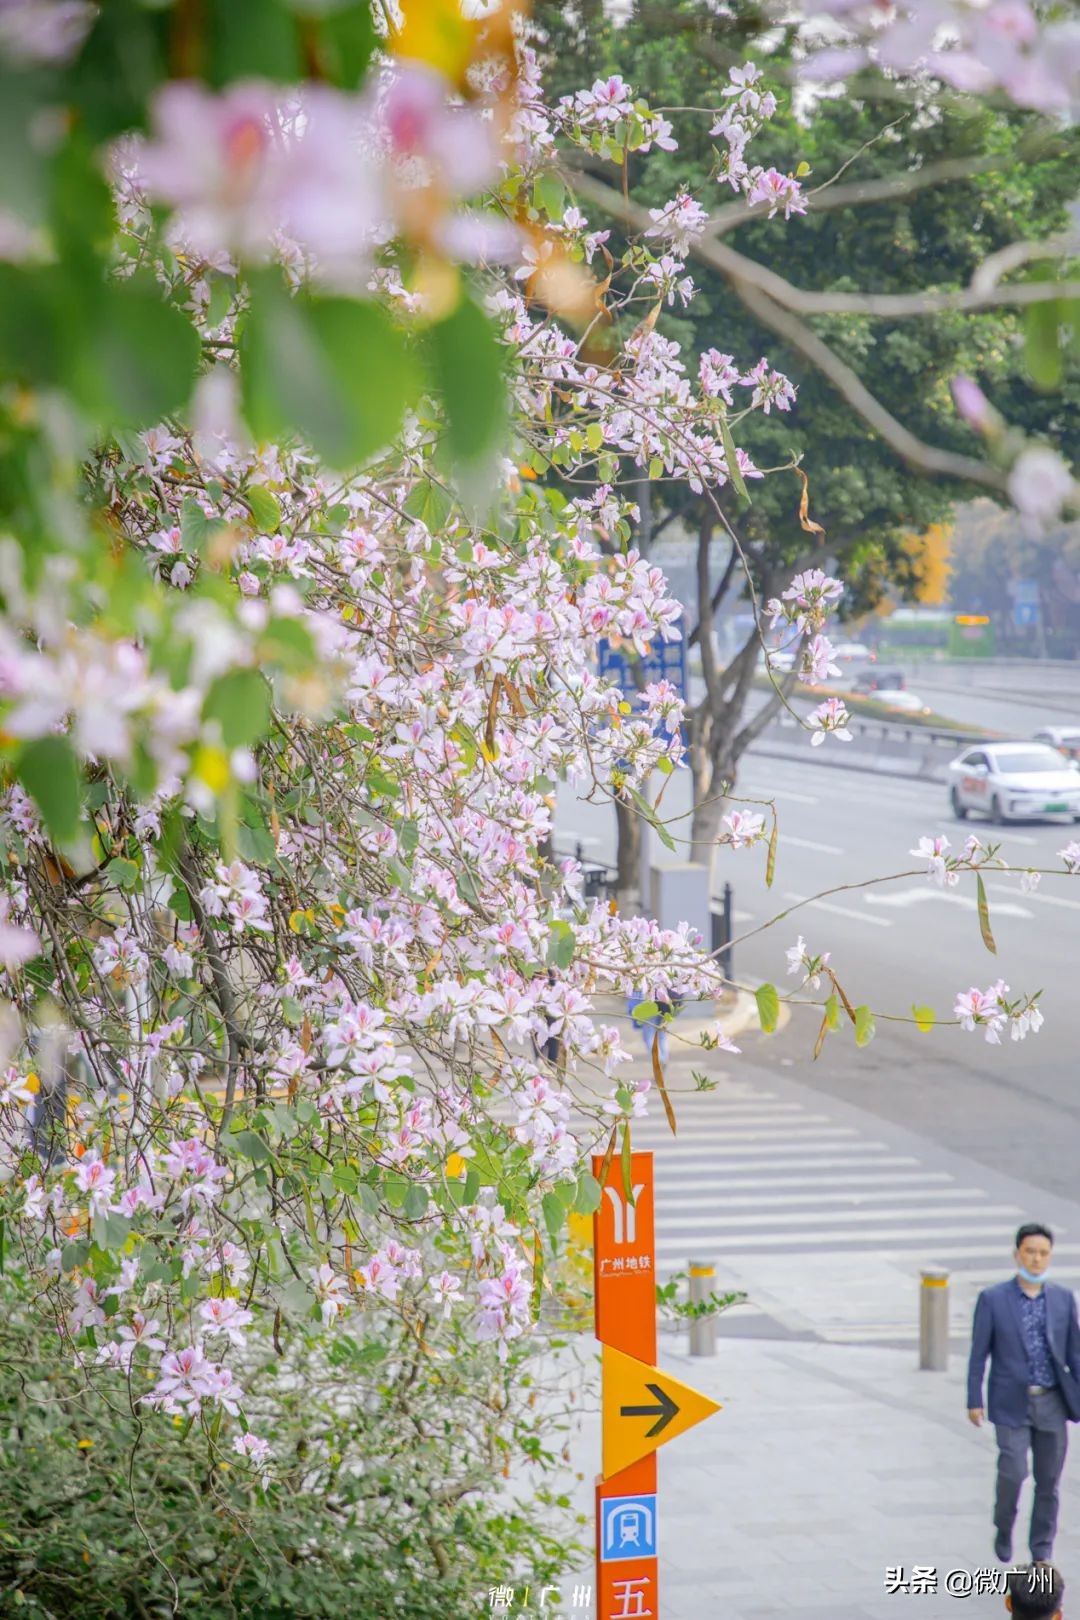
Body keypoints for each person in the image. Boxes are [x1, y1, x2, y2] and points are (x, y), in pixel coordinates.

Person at [968, 1223, 1080, 1565]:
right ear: (1017, 1254)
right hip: (1010, 1402)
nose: (1036, 1259)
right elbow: (978, 1353)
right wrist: (974, 1399)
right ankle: (1004, 1526)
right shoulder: (993, 1299)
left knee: (1049, 1482)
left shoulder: (1062, 1299)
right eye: (1030, 1252)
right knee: (1013, 1472)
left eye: (1043, 1253)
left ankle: (1041, 1549)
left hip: (1052, 1401)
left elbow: (1074, 1354)